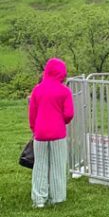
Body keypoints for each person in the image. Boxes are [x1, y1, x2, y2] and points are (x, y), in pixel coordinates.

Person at [28, 57, 74, 208]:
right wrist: (62, 122)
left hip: (40, 133)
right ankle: (57, 197)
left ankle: (39, 199)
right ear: (62, 73)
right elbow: (69, 114)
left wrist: (34, 129)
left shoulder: (37, 90)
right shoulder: (64, 91)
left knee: (40, 165)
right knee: (58, 164)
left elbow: (32, 113)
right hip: (58, 133)